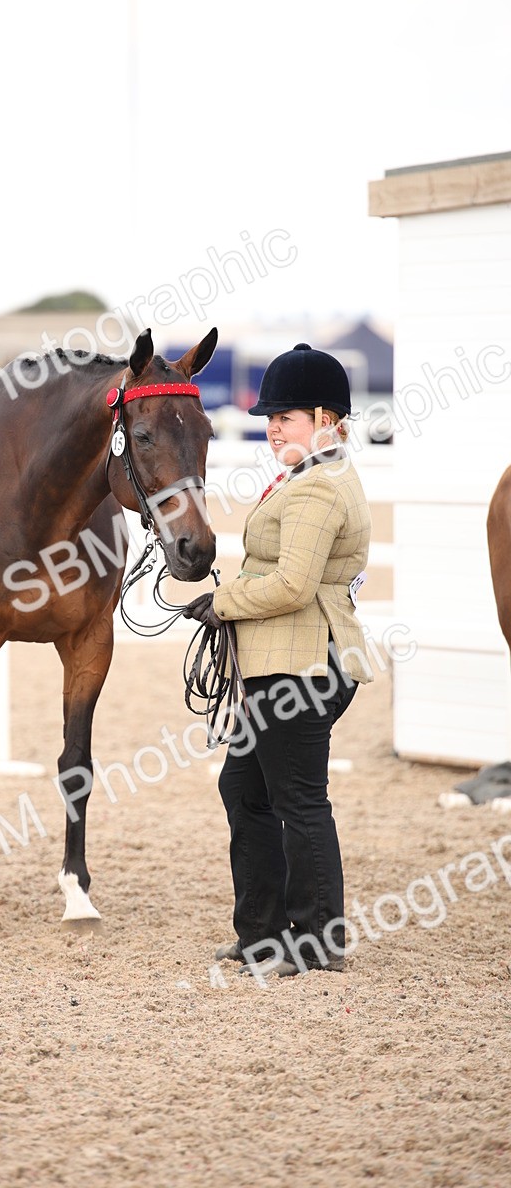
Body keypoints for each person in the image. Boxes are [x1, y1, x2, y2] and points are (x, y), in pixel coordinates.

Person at [184, 343, 373, 978]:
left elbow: (293, 584)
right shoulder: (307, 473)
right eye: (269, 419)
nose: (272, 429)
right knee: (245, 787)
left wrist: (223, 602)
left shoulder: (318, 488)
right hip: (281, 660)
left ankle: (317, 938)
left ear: (325, 417)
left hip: (302, 663)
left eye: (284, 418)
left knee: (297, 798)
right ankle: (262, 931)